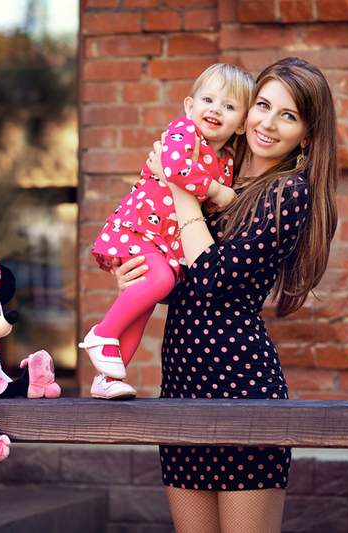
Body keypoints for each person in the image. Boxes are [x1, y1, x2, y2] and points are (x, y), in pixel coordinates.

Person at [112, 57, 340, 533]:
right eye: (263, 106)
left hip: (243, 388)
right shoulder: (219, 176)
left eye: (289, 115)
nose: (268, 123)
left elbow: (213, 277)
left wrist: (178, 186)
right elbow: (185, 283)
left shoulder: (288, 193)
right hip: (181, 384)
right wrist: (135, 278)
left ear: (307, 135)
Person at [81, 63, 256, 400]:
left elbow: (203, 206)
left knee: (142, 310)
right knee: (160, 281)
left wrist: (215, 197)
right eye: (208, 100)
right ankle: (102, 334)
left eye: (229, 106)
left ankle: (107, 378)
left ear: (240, 125)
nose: (215, 109)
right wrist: (218, 191)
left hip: (165, 241)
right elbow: (173, 167)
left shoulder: (227, 161)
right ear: (190, 106)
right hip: (141, 227)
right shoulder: (184, 131)